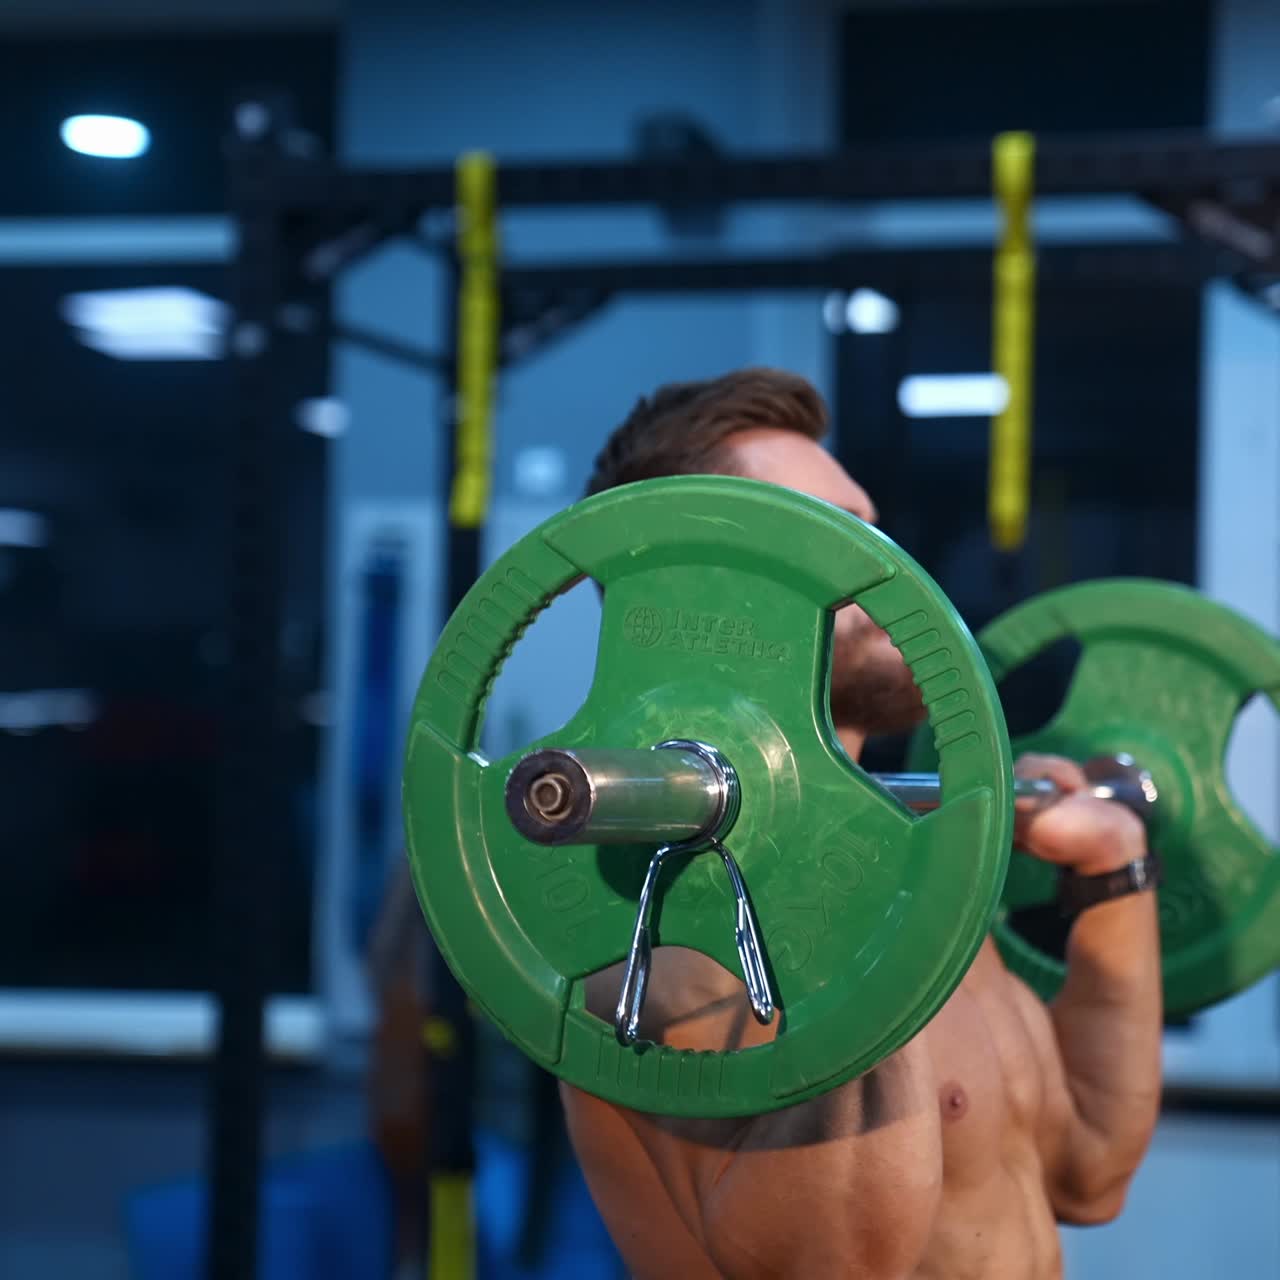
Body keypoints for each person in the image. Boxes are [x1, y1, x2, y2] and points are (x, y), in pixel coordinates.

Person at [562, 368, 1163, 1279]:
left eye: (871, 528)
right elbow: (835, 1266)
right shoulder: (668, 956)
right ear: (700, 597)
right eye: (832, 534)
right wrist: (821, 870)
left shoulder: (905, 874)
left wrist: (1114, 877)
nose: (887, 567)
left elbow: (1088, 1177)